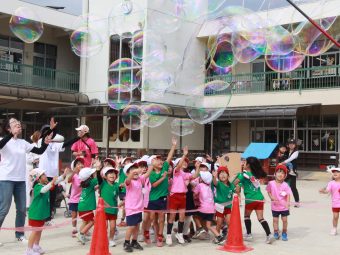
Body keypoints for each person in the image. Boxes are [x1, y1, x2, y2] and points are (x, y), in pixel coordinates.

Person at [0, 117, 55, 245]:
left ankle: (19, 234)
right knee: (4, 209)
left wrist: (46, 140)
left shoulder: (22, 142)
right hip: (6, 179)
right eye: (14, 123)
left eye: (18, 123)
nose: (18, 124)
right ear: (8, 128)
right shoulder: (3, 140)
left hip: (20, 180)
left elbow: (40, 150)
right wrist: (10, 135)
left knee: (22, 209)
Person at [39, 123, 80, 222]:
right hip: (43, 175)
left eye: (51, 133)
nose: (49, 135)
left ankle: (48, 216)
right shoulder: (41, 142)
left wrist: (78, 137)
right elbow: (45, 137)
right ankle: (41, 215)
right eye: (47, 132)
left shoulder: (55, 145)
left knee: (52, 196)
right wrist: (50, 130)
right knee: (43, 195)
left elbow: (67, 143)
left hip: (53, 175)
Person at [26, 168, 68, 255]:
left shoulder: (44, 185)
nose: (46, 176)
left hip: (41, 214)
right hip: (35, 214)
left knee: (39, 230)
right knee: (34, 231)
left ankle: (36, 246)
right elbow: (44, 189)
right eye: (43, 175)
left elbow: (54, 183)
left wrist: (63, 176)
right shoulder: (37, 187)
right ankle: (28, 250)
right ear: (38, 178)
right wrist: (52, 182)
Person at [233, 156, 274, 244]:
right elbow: (245, 184)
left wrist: (236, 184)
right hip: (259, 199)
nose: (243, 163)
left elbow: (233, 184)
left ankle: (249, 234)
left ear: (248, 165)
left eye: (245, 162)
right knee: (261, 218)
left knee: (246, 216)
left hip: (250, 199)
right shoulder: (256, 175)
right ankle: (269, 235)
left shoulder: (242, 175)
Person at [144, 137, 176, 247]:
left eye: (160, 159)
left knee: (162, 219)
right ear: (151, 163)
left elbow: (169, 157)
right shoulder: (151, 174)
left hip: (163, 197)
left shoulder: (164, 168)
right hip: (153, 199)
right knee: (153, 219)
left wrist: (173, 146)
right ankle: (150, 232)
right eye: (157, 160)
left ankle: (159, 236)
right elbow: (154, 185)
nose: (160, 161)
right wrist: (163, 177)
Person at [166, 146, 200, 246]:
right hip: (174, 196)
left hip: (183, 197)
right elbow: (179, 165)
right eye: (183, 161)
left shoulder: (186, 174)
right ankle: (168, 235)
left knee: (182, 216)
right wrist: (184, 154)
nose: (185, 163)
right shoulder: (176, 172)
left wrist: (197, 167)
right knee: (172, 216)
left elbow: (194, 176)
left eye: (186, 162)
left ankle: (180, 234)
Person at [123, 162, 153, 252]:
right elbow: (127, 181)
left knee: (137, 226)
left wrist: (151, 164)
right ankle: (126, 242)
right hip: (131, 209)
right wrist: (133, 173)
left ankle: (134, 241)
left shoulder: (140, 179)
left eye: (136, 170)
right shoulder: (129, 182)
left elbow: (147, 174)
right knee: (131, 226)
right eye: (131, 170)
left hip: (139, 208)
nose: (135, 172)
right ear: (127, 173)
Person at [193, 171, 224, 244]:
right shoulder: (210, 187)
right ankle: (219, 237)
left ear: (202, 179)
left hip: (203, 208)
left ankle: (200, 228)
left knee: (195, 215)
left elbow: (194, 194)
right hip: (211, 210)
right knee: (209, 225)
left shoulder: (199, 185)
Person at [266, 165, 292, 241]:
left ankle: (284, 232)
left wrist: (288, 204)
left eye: (283, 173)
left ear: (285, 176)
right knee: (275, 220)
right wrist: (271, 197)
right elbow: (268, 191)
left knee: (284, 220)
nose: (280, 174)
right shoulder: (271, 183)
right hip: (275, 206)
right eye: (278, 172)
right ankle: (276, 232)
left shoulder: (286, 185)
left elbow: (288, 194)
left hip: (284, 207)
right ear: (275, 174)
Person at [212, 166, 236, 240]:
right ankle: (217, 237)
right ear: (218, 176)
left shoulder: (231, 185)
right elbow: (215, 182)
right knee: (219, 223)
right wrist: (214, 177)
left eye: (224, 173)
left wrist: (238, 189)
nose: (222, 175)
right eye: (220, 174)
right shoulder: (219, 184)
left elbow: (236, 191)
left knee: (229, 222)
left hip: (228, 207)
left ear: (228, 175)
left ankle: (230, 236)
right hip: (220, 207)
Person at [99, 166, 120, 247]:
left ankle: (111, 239)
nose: (112, 175)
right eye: (110, 173)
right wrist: (98, 169)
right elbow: (98, 177)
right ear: (105, 176)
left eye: (114, 173)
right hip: (103, 210)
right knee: (104, 226)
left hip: (113, 210)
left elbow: (122, 194)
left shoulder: (117, 185)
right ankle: (103, 239)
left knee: (113, 227)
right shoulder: (103, 184)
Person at [77, 167, 99, 245]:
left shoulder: (85, 183)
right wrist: (98, 170)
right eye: (92, 173)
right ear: (89, 176)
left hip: (82, 206)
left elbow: (92, 188)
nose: (94, 174)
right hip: (86, 207)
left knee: (85, 222)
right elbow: (99, 179)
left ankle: (80, 235)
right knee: (92, 221)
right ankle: (81, 234)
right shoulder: (92, 181)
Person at [67, 157, 85, 237]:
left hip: (83, 199)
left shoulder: (84, 175)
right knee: (74, 215)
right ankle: (74, 229)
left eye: (81, 164)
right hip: (74, 199)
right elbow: (68, 180)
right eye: (78, 164)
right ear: (74, 166)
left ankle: (84, 229)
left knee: (84, 215)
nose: (80, 165)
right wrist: (73, 172)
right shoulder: (74, 175)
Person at [319, 167, 340, 235]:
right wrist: (323, 191)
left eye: (337, 172)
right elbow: (327, 190)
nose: (335, 173)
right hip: (335, 203)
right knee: (335, 217)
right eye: (334, 172)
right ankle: (334, 228)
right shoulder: (331, 183)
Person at [25, 131, 41, 209]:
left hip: (38, 170)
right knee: (29, 187)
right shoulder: (31, 146)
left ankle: (35, 204)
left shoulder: (40, 147)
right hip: (30, 169)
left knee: (37, 187)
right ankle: (28, 205)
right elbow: (27, 159)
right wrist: (36, 160)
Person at [282, 139, 300, 207]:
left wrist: (283, 162)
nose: (291, 145)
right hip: (286, 171)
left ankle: (297, 202)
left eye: (292, 144)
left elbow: (291, 159)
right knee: (283, 185)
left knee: (293, 187)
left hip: (292, 172)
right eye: (290, 144)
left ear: (295, 145)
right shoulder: (287, 151)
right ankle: (283, 200)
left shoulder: (296, 152)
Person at [118, 156, 133, 227]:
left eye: (129, 161)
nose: (128, 162)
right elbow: (117, 169)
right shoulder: (121, 170)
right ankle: (123, 220)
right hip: (122, 190)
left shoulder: (132, 172)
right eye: (126, 161)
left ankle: (123, 220)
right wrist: (118, 164)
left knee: (126, 205)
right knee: (125, 205)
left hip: (129, 190)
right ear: (123, 164)